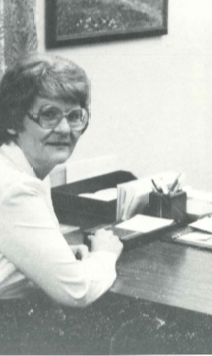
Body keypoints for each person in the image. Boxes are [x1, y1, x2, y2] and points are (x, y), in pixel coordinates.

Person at [0, 54, 123, 307]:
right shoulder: (15, 187)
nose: (66, 129)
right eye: (49, 115)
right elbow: (76, 292)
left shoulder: (26, 164)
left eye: (74, 116)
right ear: (13, 120)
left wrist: (60, 257)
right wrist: (103, 255)